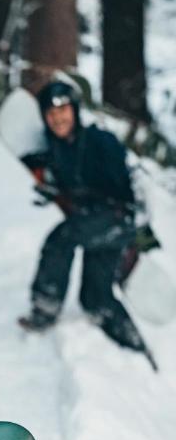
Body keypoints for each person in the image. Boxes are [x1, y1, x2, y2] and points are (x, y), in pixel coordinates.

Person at [17, 80, 156, 369]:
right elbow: (60, 180)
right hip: (95, 221)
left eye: (64, 111)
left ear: (75, 111)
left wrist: (141, 231)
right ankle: (141, 354)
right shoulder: (56, 149)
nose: (59, 119)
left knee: (61, 238)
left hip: (119, 217)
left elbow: (137, 181)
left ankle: (45, 307)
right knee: (95, 298)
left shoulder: (99, 140)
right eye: (51, 114)